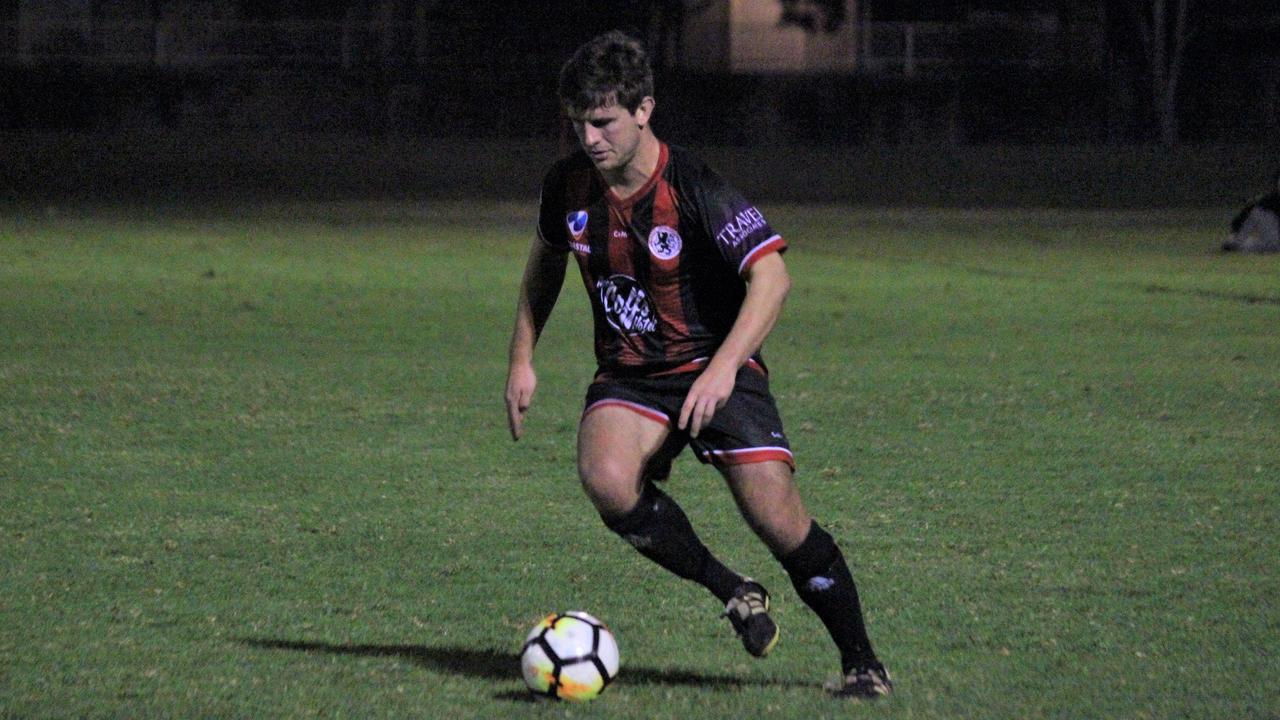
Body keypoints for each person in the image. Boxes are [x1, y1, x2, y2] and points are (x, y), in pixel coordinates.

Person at [504, 30, 891, 698]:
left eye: (603, 122)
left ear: (644, 110)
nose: (589, 139)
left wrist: (722, 370)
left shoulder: (694, 186)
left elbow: (771, 279)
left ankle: (863, 664)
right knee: (606, 476)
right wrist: (522, 360)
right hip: (631, 372)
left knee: (777, 519)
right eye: (578, 124)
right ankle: (733, 591)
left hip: (719, 363)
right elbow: (545, 263)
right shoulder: (566, 185)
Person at [1223, 169, 1280, 253]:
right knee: (1272, 246)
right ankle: (1236, 243)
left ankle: (1239, 244)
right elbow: (1247, 210)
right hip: (1272, 236)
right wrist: (1234, 232)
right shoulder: (1269, 200)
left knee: (1273, 246)